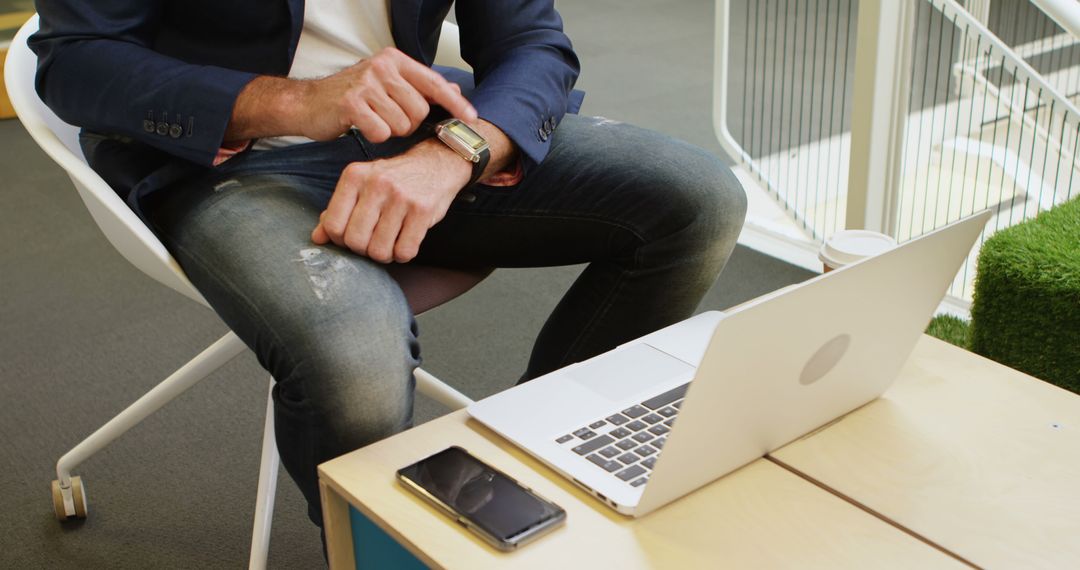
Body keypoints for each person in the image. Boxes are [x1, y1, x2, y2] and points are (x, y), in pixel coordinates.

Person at [30, 0, 746, 532]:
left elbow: (532, 42)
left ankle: (540, 465)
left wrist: (456, 151)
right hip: (233, 160)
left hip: (422, 132)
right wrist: (295, 101)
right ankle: (380, 549)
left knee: (698, 202)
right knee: (354, 353)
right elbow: (76, 59)